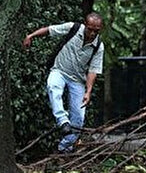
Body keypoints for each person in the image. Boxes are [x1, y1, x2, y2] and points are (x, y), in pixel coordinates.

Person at [23, 12, 105, 153]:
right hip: (59, 71)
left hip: (78, 80)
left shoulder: (98, 46)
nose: (92, 33)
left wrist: (88, 91)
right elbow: (50, 30)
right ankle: (62, 121)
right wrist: (31, 36)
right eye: (90, 29)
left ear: (100, 30)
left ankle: (64, 150)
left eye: (96, 31)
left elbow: (93, 70)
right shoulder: (73, 28)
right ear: (85, 25)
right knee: (53, 86)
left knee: (78, 118)